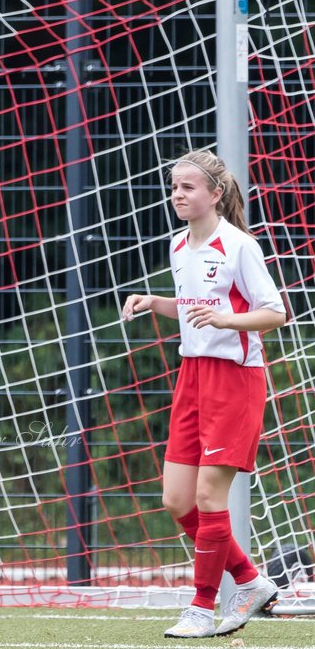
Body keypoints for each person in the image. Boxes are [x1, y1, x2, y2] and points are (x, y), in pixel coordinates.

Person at [122, 149, 287, 638]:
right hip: (190, 376)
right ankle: (251, 581)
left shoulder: (239, 246)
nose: (177, 194)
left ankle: (200, 608)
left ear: (216, 194)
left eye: (188, 187)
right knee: (177, 500)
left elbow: (274, 312)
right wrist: (155, 302)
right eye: (174, 186)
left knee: (209, 496)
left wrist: (227, 319)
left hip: (234, 380)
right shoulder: (178, 246)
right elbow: (195, 306)